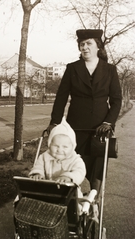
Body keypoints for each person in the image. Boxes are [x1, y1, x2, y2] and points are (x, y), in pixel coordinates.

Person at [47, 29, 122, 197]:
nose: (85, 47)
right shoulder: (72, 68)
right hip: (76, 127)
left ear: (98, 47)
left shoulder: (110, 69)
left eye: (89, 44)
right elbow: (61, 97)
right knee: (74, 162)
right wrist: (55, 122)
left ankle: (94, 199)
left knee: (98, 166)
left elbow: (117, 100)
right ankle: (76, 199)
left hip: (100, 128)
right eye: (82, 44)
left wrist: (108, 123)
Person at [28, 117, 86, 209]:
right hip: (48, 192)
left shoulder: (75, 160)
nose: (60, 150)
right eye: (56, 146)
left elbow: (80, 172)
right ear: (50, 145)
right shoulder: (44, 157)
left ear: (73, 147)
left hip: (70, 195)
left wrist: (68, 177)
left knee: (76, 208)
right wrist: (37, 173)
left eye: (65, 147)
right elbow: (38, 166)